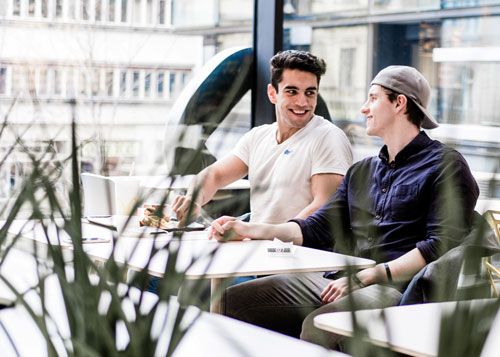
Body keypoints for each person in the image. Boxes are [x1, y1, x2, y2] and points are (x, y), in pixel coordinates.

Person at [209, 65, 479, 350]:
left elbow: (440, 245)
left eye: (373, 98)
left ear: (399, 103)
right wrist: (248, 229)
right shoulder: (361, 172)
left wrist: (367, 276)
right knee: (228, 302)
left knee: (321, 326)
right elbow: (315, 228)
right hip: (339, 278)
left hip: (395, 288)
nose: (364, 109)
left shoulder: (446, 166)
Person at [172, 50, 352, 226]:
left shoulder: (328, 137)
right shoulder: (258, 137)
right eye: (292, 91)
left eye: (310, 93)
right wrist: (193, 199)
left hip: (303, 252)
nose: (302, 102)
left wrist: (251, 230)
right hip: (260, 246)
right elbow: (215, 175)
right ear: (272, 93)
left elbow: (324, 209)